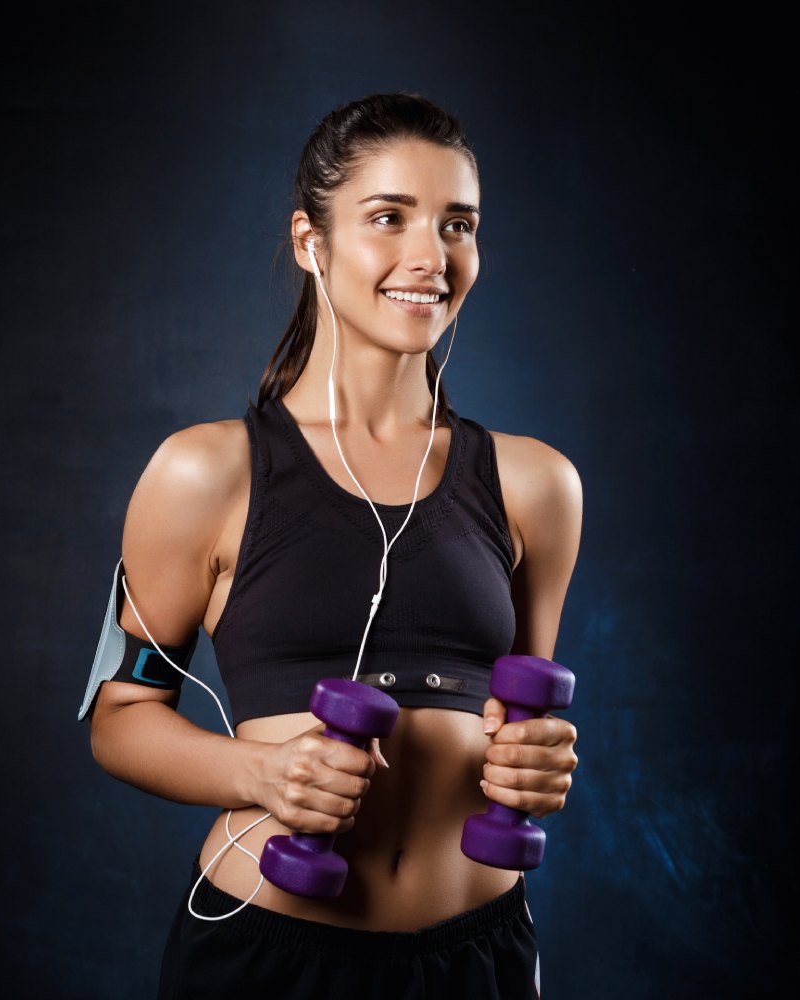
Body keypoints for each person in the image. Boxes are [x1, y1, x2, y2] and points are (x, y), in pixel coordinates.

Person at [83, 92, 582, 999]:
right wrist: (262, 773)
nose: (431, 256)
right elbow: (121, 717)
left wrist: (539, 762)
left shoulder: (537, 484)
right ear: (311, 242)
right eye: (389, 217)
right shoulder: (204, 473)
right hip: (271, 957)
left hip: (479, 958)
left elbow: (520, 720)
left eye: (458, 224)